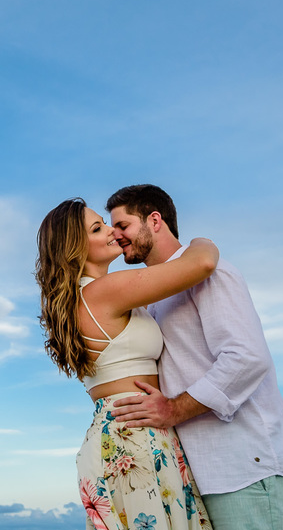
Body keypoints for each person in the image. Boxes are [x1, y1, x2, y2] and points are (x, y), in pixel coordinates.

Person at [105, 185, 283, 530]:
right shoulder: (154, 295)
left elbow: (246, 358)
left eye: (122, 225)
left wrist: (172, 409)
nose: (115, 235)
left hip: (247, 469)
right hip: (201, 477)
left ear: (154, 220)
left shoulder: (211, 273)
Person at [36, 197, 218, 530]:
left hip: (123, 430)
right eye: (97, 228)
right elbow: (203, 262)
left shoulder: (85, 297)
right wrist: (200, 241)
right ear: (75, 247)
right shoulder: (105, 291)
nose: (111, 231)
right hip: (135, 435)